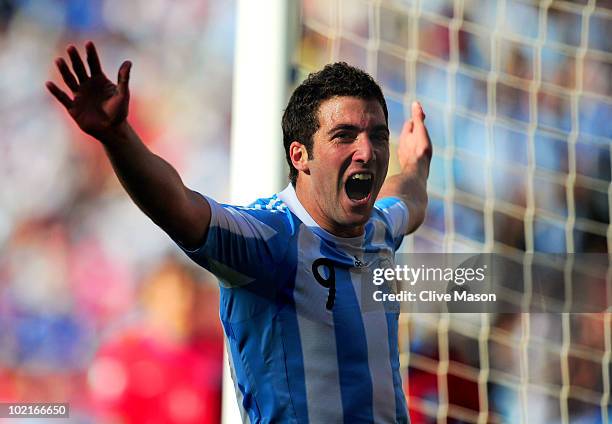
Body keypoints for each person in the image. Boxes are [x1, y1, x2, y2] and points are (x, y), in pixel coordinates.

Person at [46, 41, 432, 423]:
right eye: (344, 135)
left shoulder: (377, 228)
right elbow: (179, 206)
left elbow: (407, 200)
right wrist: (118, 137)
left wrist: (415, 166)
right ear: (300, 156)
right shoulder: (270, 238)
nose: (367, 150)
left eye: (378, 135)